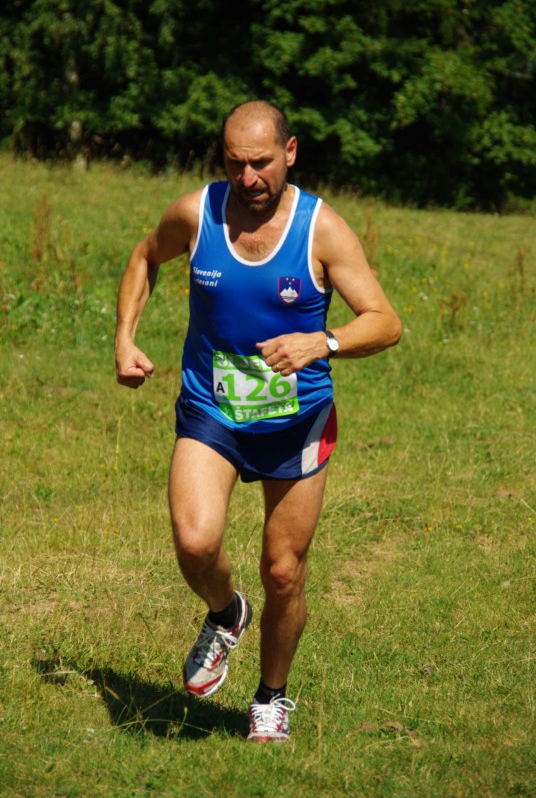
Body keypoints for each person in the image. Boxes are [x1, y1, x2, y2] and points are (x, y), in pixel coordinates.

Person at [115, 100, 402, 743]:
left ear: (290, 152)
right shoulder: (197, 213)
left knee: (283, 570)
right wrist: (124, 338)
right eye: (235, 163)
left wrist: (321, 342)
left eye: (262, 163)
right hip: (213, 407)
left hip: (296, 421)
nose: (248, 178)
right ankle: (225, 613)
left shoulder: (321, 229)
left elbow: (385, 322)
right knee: (195, 540)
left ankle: (271, 698)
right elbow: (144, 256)